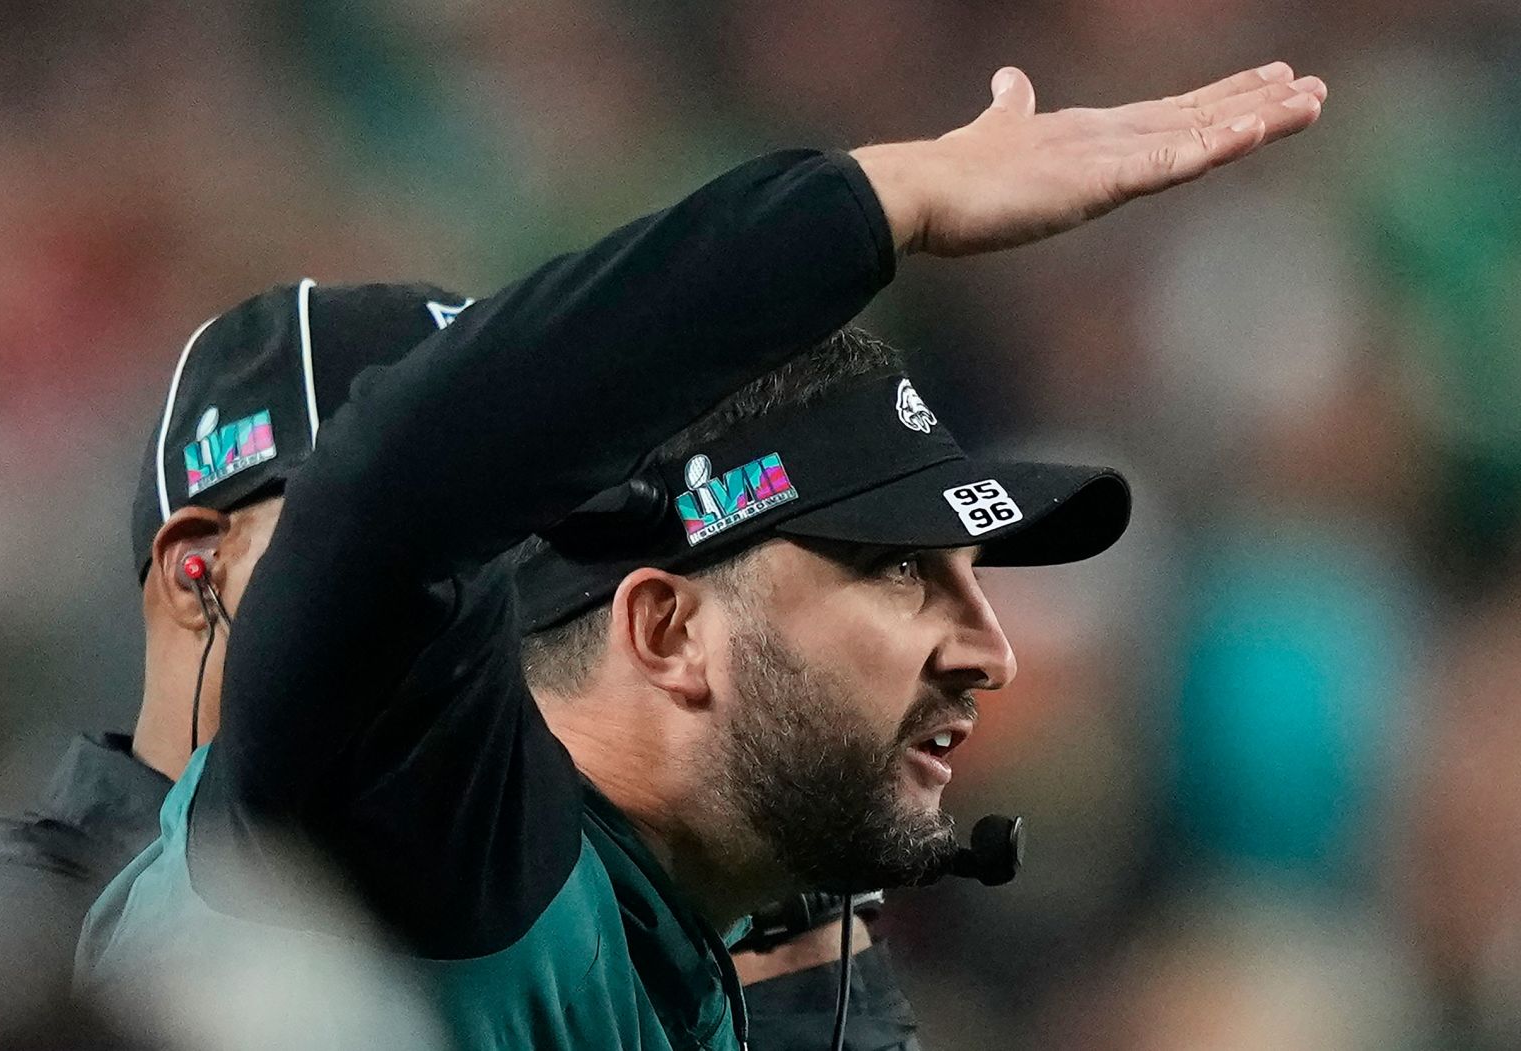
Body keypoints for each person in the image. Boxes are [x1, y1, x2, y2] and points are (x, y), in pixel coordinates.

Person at [77, 63, 1327, 1050]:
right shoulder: (432, 830)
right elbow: (389, 484)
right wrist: (882, 202)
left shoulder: (672, 961)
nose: (989, 648)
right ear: (666, 628)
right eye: (898, 568)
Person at [0, 280, 918, 1047]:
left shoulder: (589, 899)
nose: (489, 596)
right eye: (440, 555)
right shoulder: (11, 928)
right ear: (197, 564)